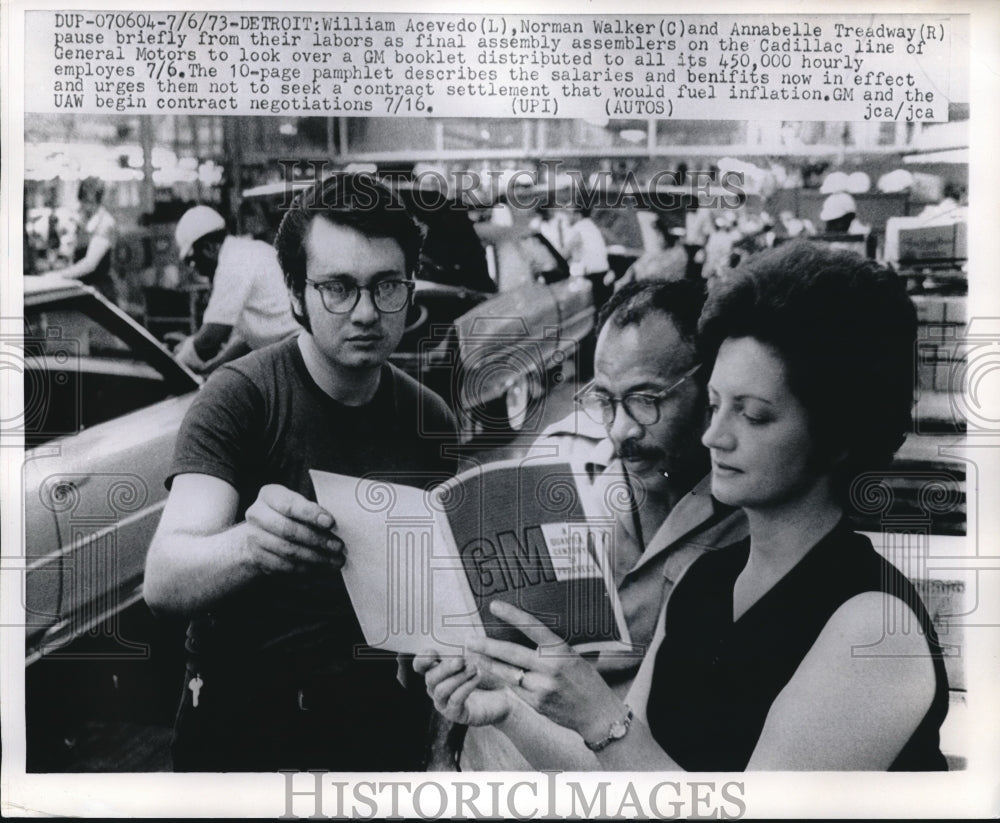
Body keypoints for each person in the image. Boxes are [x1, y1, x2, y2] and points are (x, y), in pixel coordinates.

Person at [419, 241, 950, 771]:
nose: (714, 435)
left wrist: (600, 717)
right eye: (715, 405)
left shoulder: (876, 630)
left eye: (755, 415)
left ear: (840, 435)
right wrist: (503, 706)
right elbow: (615, 772)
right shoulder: (706, 584)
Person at [144, 173, 459, 772]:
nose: (366, 312)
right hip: (248, 728)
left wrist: (441, 744)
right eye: (338, 288)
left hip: (381, 725)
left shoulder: (431, 418)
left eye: (387, 286)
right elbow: (164, 579)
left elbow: (437, 602)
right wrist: (253, 547)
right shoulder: (239, 397)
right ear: (294, 294)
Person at [445, 280, 749, 770]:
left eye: (647, 399)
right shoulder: (560, 456)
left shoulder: (749, 513)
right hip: (497, 753)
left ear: (710, 388)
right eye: (604, 399)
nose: (620, 431)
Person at [171, 204, 301, 373]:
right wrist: (214, 370)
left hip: (296, 352)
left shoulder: (232, 264)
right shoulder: (246, 251)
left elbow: (211, 339)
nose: (195, 269)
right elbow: (246, 342)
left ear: (209, 247)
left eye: (193, 260)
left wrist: (177, 366)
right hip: (291, 348)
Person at [58, 177, 118, 303]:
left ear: (98, 201)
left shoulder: (105, 222)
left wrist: (59, 276)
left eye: (89, 202)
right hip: (83, 287)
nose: (85, 206)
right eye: (83, 201)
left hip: (99, 291)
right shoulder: (84, 221)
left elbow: (90, 264)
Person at [613, 215, 687, 293]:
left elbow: (652, 275)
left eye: (658, 233)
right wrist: (628, 275)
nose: (656, 238)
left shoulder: (677, 253)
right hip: (648, 288)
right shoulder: (659, 250)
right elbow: (639, 264)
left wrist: (633, 274)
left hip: (663, 292)